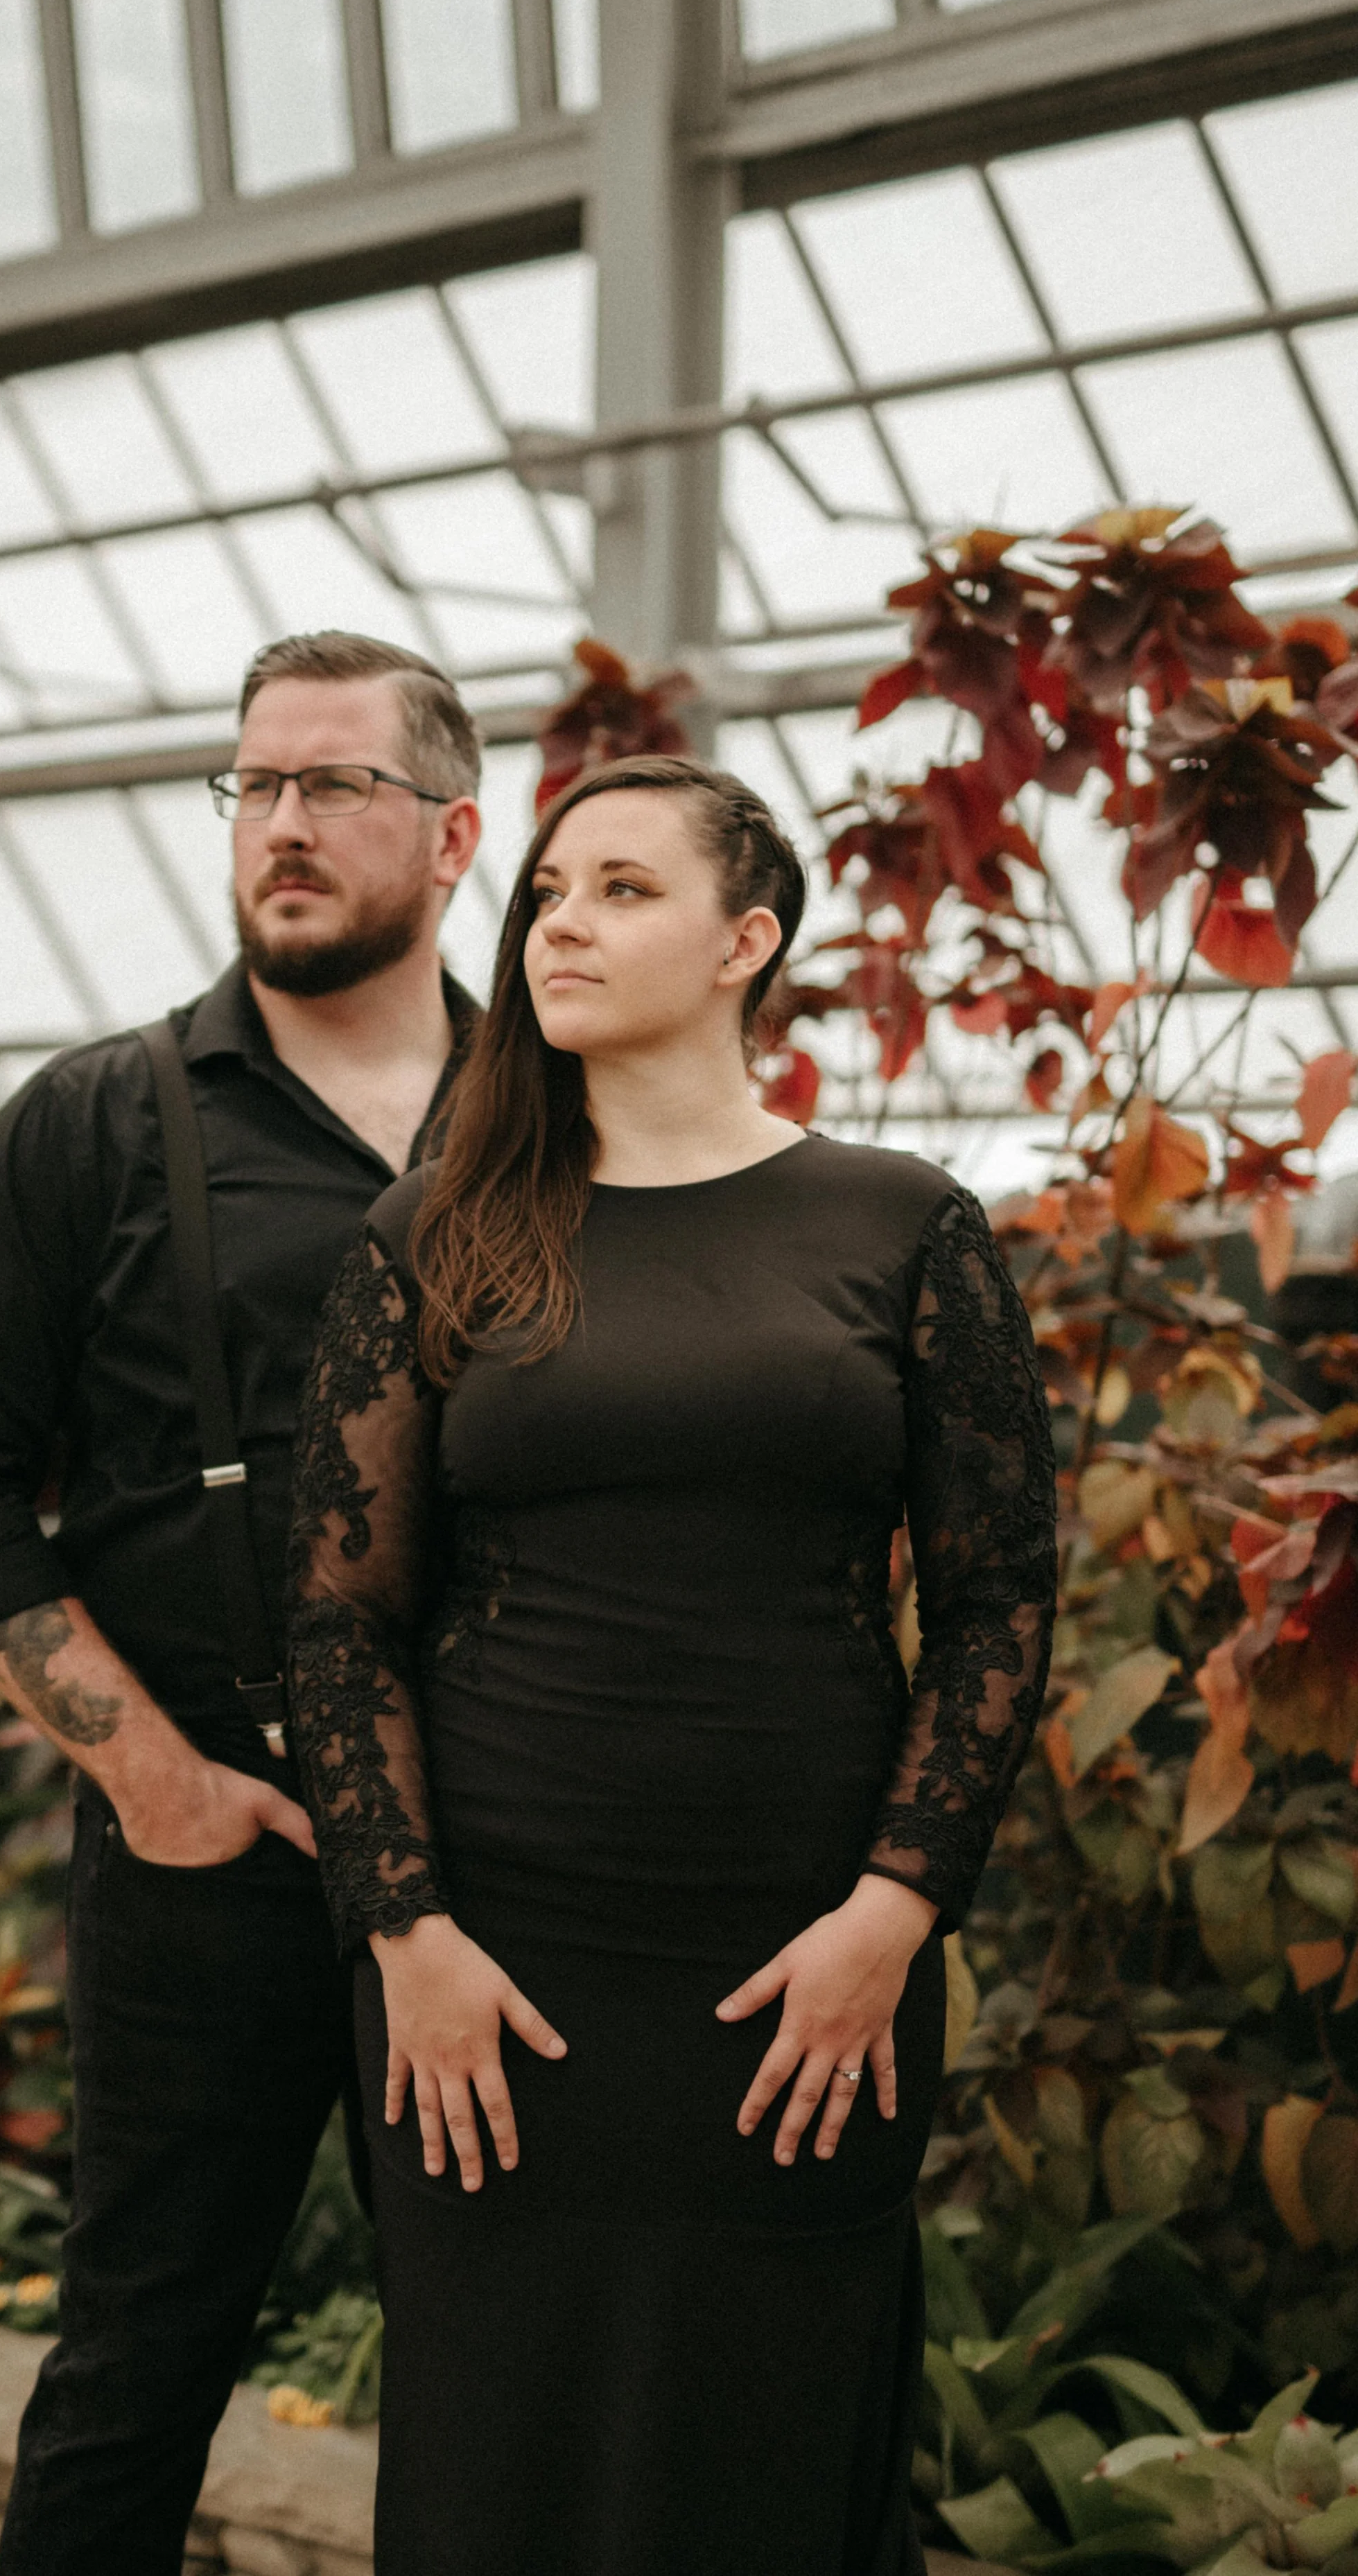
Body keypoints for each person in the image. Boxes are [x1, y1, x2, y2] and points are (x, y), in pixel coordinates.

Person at [286, 754, 1059, 2576]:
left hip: (803, 1960)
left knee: (770, 2449)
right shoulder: (437, 1234)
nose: (561, 923)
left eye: (621, 890)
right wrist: (405, 1933)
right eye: (548, 893)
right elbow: (336, 1619)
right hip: (497, 1968)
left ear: (746, 941)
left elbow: (998, 1601)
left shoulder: (897, 1225)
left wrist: (895, 1913)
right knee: (503, 2455)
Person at [0, 631, 485, 2576]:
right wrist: (153, 1783)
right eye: (254, 787)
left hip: (505, 1850)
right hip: (208, 1842)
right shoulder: (96, 1121)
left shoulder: (560, 1121)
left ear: (454, 834)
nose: (280, 827)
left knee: (493, 2362)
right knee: (143, 2351)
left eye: (333, 787)